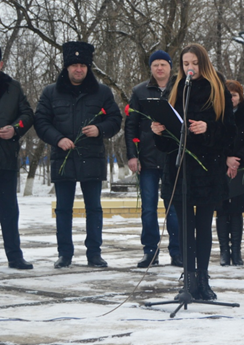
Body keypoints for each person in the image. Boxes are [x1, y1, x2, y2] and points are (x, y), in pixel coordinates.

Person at [151, 43, 235, 300]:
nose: (190, 68)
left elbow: (229, 130)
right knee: (185, 227)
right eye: (186, 64)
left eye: (195, 64)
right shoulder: (177, 89)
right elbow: (169, 139)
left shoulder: (217, 89)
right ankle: (187, 280)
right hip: (181, 170)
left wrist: (207, 128)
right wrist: (159, 132)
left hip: (208, 169)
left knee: (203, 226)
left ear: (204, 64)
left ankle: (203, 279)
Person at [34, 41, 122, 268]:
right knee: (63, 209)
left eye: (82, 65)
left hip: (91, 159)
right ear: (66, 67)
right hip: (63, 160)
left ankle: (94, 253)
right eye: (74, 65)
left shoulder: (102, 92)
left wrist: (99, 129)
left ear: (88, 67)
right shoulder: (50, 92)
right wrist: (58, 139)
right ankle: (65, 254)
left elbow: (115, 120)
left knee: (94, 209)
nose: (78, 69)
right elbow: (41, 122)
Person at [125, 50, 181, 268]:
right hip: (147, 158)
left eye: (163, 64)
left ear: (170, 67)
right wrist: (132, 155)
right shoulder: (139, 91)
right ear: (151, 68)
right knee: (148, 208)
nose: (159, 68)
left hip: (173, 156)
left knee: (174, 207)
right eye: (155, 65)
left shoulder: (180, 88)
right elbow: (131, 125)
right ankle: (150, 251)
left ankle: (178, 251)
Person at [216, 80, 244, 266]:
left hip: (241, 169)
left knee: (237, 211)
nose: (231, 98)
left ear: (240, 97)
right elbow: (214, 140)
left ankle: (237, 251)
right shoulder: (217, 114)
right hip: (220, 168)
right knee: (222, 210)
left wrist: (236, 160)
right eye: (229, 95)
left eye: (235, 95)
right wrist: (226, 158)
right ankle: (224, 251)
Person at [0, 46, 35, 269]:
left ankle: (14, 256)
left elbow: (27, 115)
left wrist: (15, 128)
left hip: (6, 159)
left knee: (9, 210)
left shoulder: (13, 87)